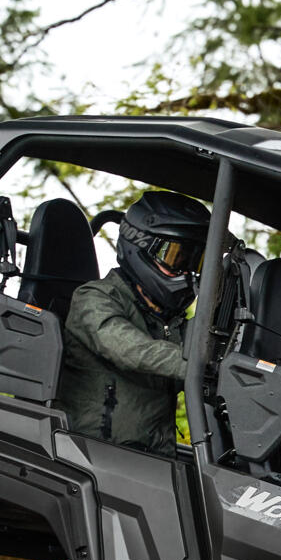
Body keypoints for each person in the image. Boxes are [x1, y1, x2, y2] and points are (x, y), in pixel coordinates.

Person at [55, 189, 210, 452]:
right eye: (175, 257)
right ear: (140, 246)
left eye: (196, 263)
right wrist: (204, 365)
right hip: (91, 454)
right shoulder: (93, 298)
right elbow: (131, 349)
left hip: (153, 457)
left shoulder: (168, 319)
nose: (187, 272)